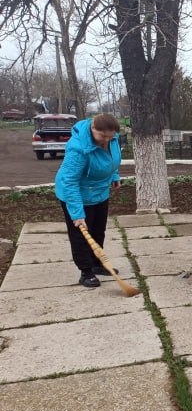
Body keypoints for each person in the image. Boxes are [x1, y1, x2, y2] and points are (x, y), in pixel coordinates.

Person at [55, 113, 122, 288]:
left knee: (98, 230)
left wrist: (114, 175)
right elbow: (69, 181)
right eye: (103, 136)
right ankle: (86, 271)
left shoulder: (112, 138)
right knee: (81, 236)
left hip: (100, 191)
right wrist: (77, 214)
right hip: (77, 194)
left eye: (110, 137)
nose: (106, 141)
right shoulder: (78, 149)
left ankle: (97, 264)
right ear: (93, 128)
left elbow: (112, 159)